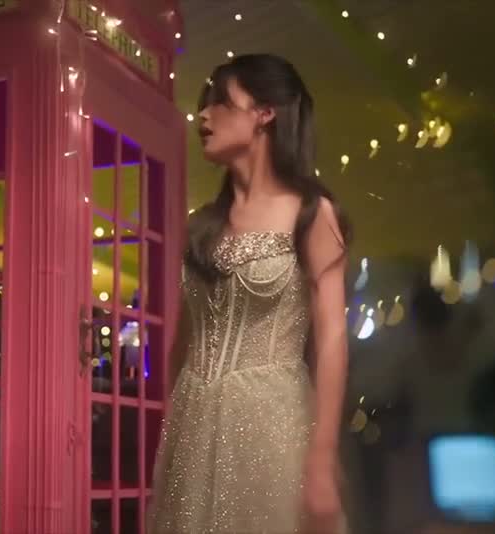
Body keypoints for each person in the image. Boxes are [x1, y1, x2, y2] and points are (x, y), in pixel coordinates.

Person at [148, 53, 352, 534]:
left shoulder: (311, 212)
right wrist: (169, 424)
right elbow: (181, 342)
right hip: (193, 427)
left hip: (273, 428)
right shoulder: (202, 225)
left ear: (265, 113)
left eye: (220, 101)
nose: (203, 115)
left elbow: (332, 341)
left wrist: (322, 460)